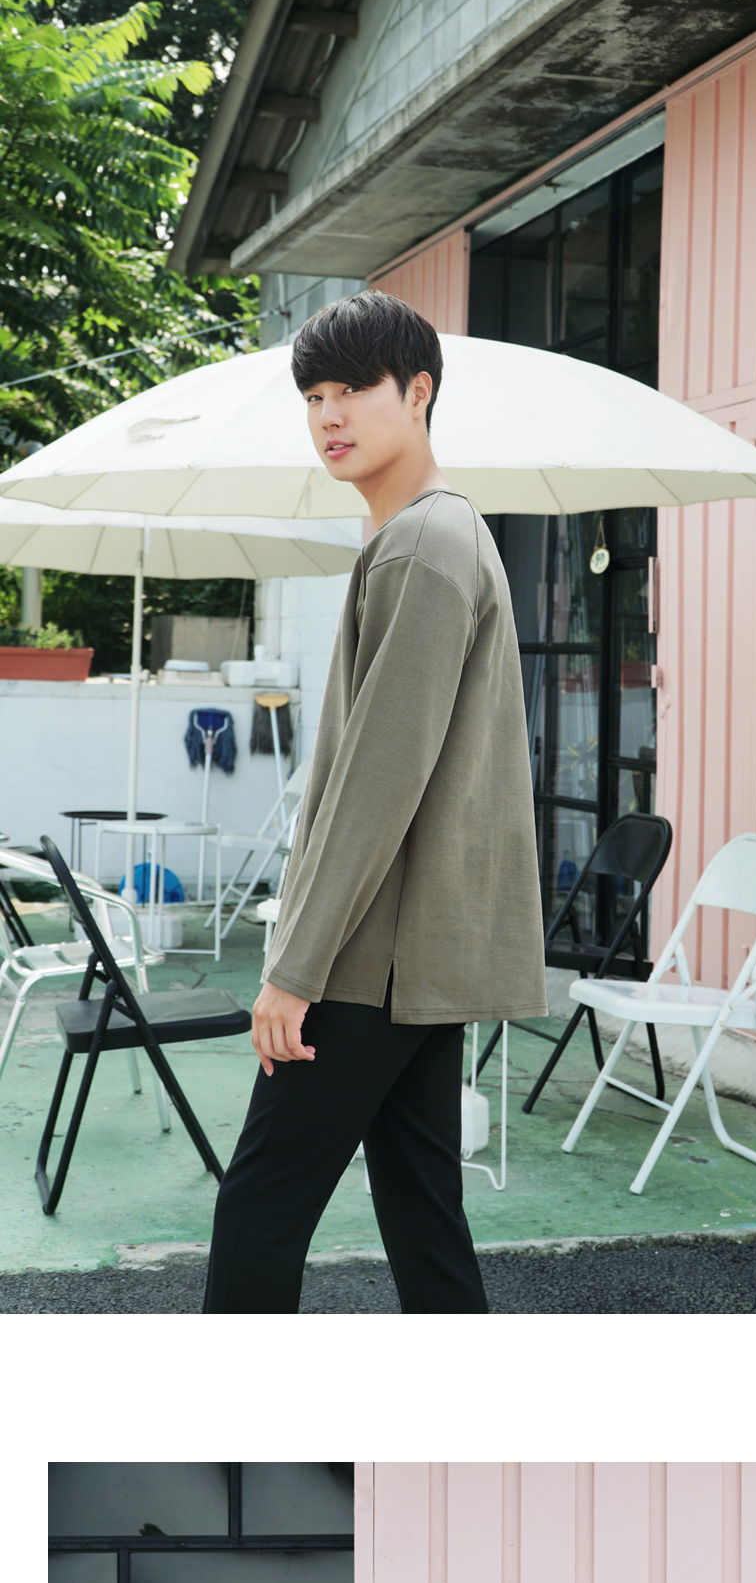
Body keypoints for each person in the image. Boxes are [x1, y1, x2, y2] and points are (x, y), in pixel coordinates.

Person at [202, 291, 547, 1317]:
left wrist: (294, 967)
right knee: (421, 1208)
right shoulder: (433, 535)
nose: (330, 415)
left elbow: (377, 783)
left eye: (353, 389)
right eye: (314, 395)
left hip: (371, 957)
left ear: (420, 391)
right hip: (414, 950)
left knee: (260, 1207)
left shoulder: (422, 546)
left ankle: (220, 1415)